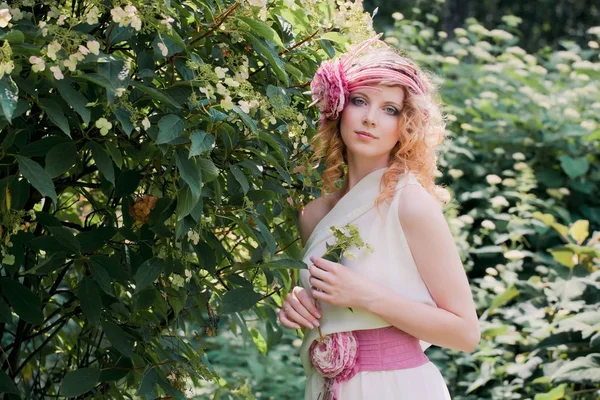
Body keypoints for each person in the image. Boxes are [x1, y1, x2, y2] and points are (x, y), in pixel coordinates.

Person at [278, 35, 480, 400]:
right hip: (326, 388)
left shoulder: (411, 205)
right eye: (359, 101)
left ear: (406, 124)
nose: (370, 119)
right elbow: (335, 314)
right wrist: (300, 301)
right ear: (338, 107)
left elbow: (465, 333)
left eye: (389, 109)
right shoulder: (314, 213)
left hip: (398, 387)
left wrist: (366, 296)